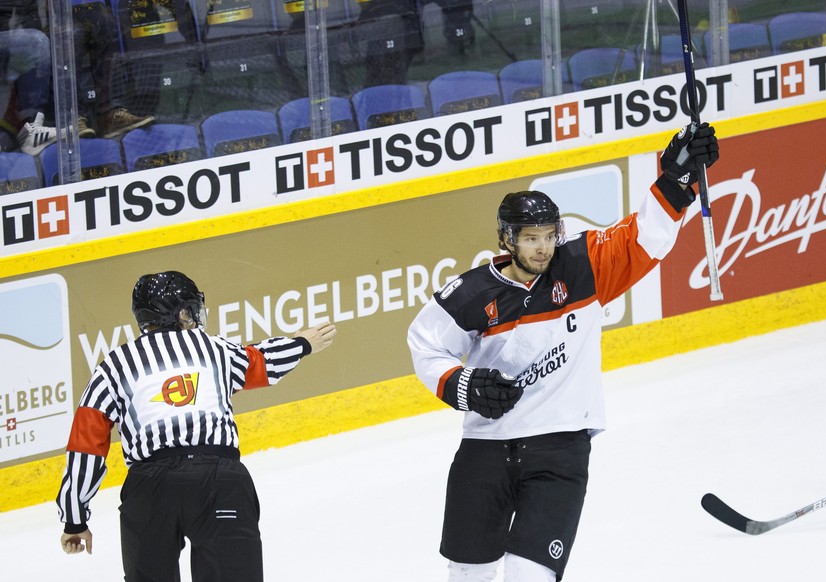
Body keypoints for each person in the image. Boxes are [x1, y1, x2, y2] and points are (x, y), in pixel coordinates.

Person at [407, 123, 719, 581]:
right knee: (468, 576)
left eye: (549, 235)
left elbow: (644, 238)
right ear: (507, 239)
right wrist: (464, 386)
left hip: (560, 448)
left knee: (529, 577)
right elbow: (424, 343)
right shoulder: (470, 293)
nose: (542, 247)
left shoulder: (582, 266)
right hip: (485, 450)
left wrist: (674, 179)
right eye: (531, 238)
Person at [56, 271, 337, 581]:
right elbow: (262, 361)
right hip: (219, 481)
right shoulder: (214, 349)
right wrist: (301, 343)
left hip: (149, 490)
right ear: (182, 312)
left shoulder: (111, 367)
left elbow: (85, 447)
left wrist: (74, 518)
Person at [71, 0, 155, 138]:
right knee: (70, 36)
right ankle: (73, 119)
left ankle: (110, 115)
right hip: (63, 15)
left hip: (94, 11)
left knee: (107, 24)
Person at [0, 0, 57, 154]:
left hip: (19, 32)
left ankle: (32, 125)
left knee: (63, 38)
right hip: (10, 33)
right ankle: (31, 126)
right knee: (37, 42)